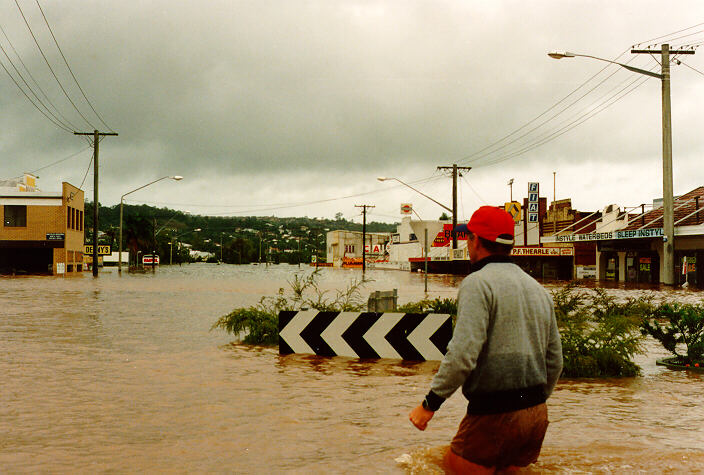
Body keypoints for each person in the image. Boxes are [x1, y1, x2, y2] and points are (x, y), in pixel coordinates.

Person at [409, 206, 563, 473]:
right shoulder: (539, 290)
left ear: (475, 239)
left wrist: (429, 405)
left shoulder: (477, 283)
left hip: (493, 416)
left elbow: (462, 354)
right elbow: (555, 361)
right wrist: (531, 403)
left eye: (468, 237)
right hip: (537, 415)